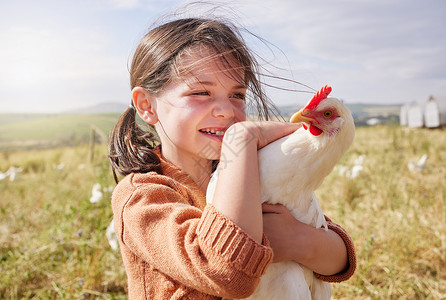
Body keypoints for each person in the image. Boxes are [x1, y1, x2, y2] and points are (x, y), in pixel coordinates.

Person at [109, 16, 356, 299]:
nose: (226, 111)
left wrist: (300, 241)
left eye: (237, 94)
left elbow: (341, 259)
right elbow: (228, 273)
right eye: (201, 92)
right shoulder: (142, 198)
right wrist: (242, 139)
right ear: (146, 106)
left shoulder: (254, 173)